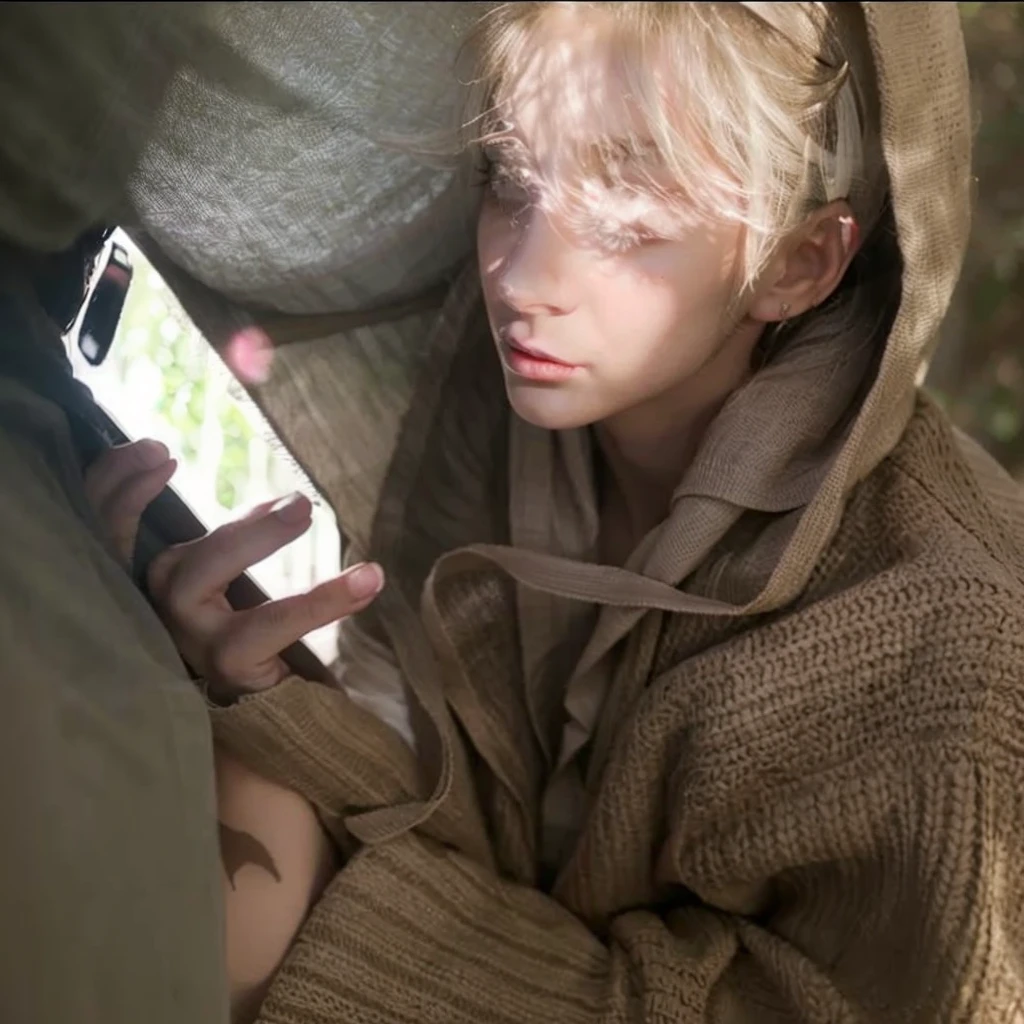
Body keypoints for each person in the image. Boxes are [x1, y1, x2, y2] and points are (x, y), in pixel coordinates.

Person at [90, 3, 1024, 1022]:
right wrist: (269, 694)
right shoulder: (501, 431)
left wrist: (315, 933)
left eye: (628, 228)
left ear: (798, 265)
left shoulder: (958, 659)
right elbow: (482, 829)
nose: (521, 280)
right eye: (508, 176)